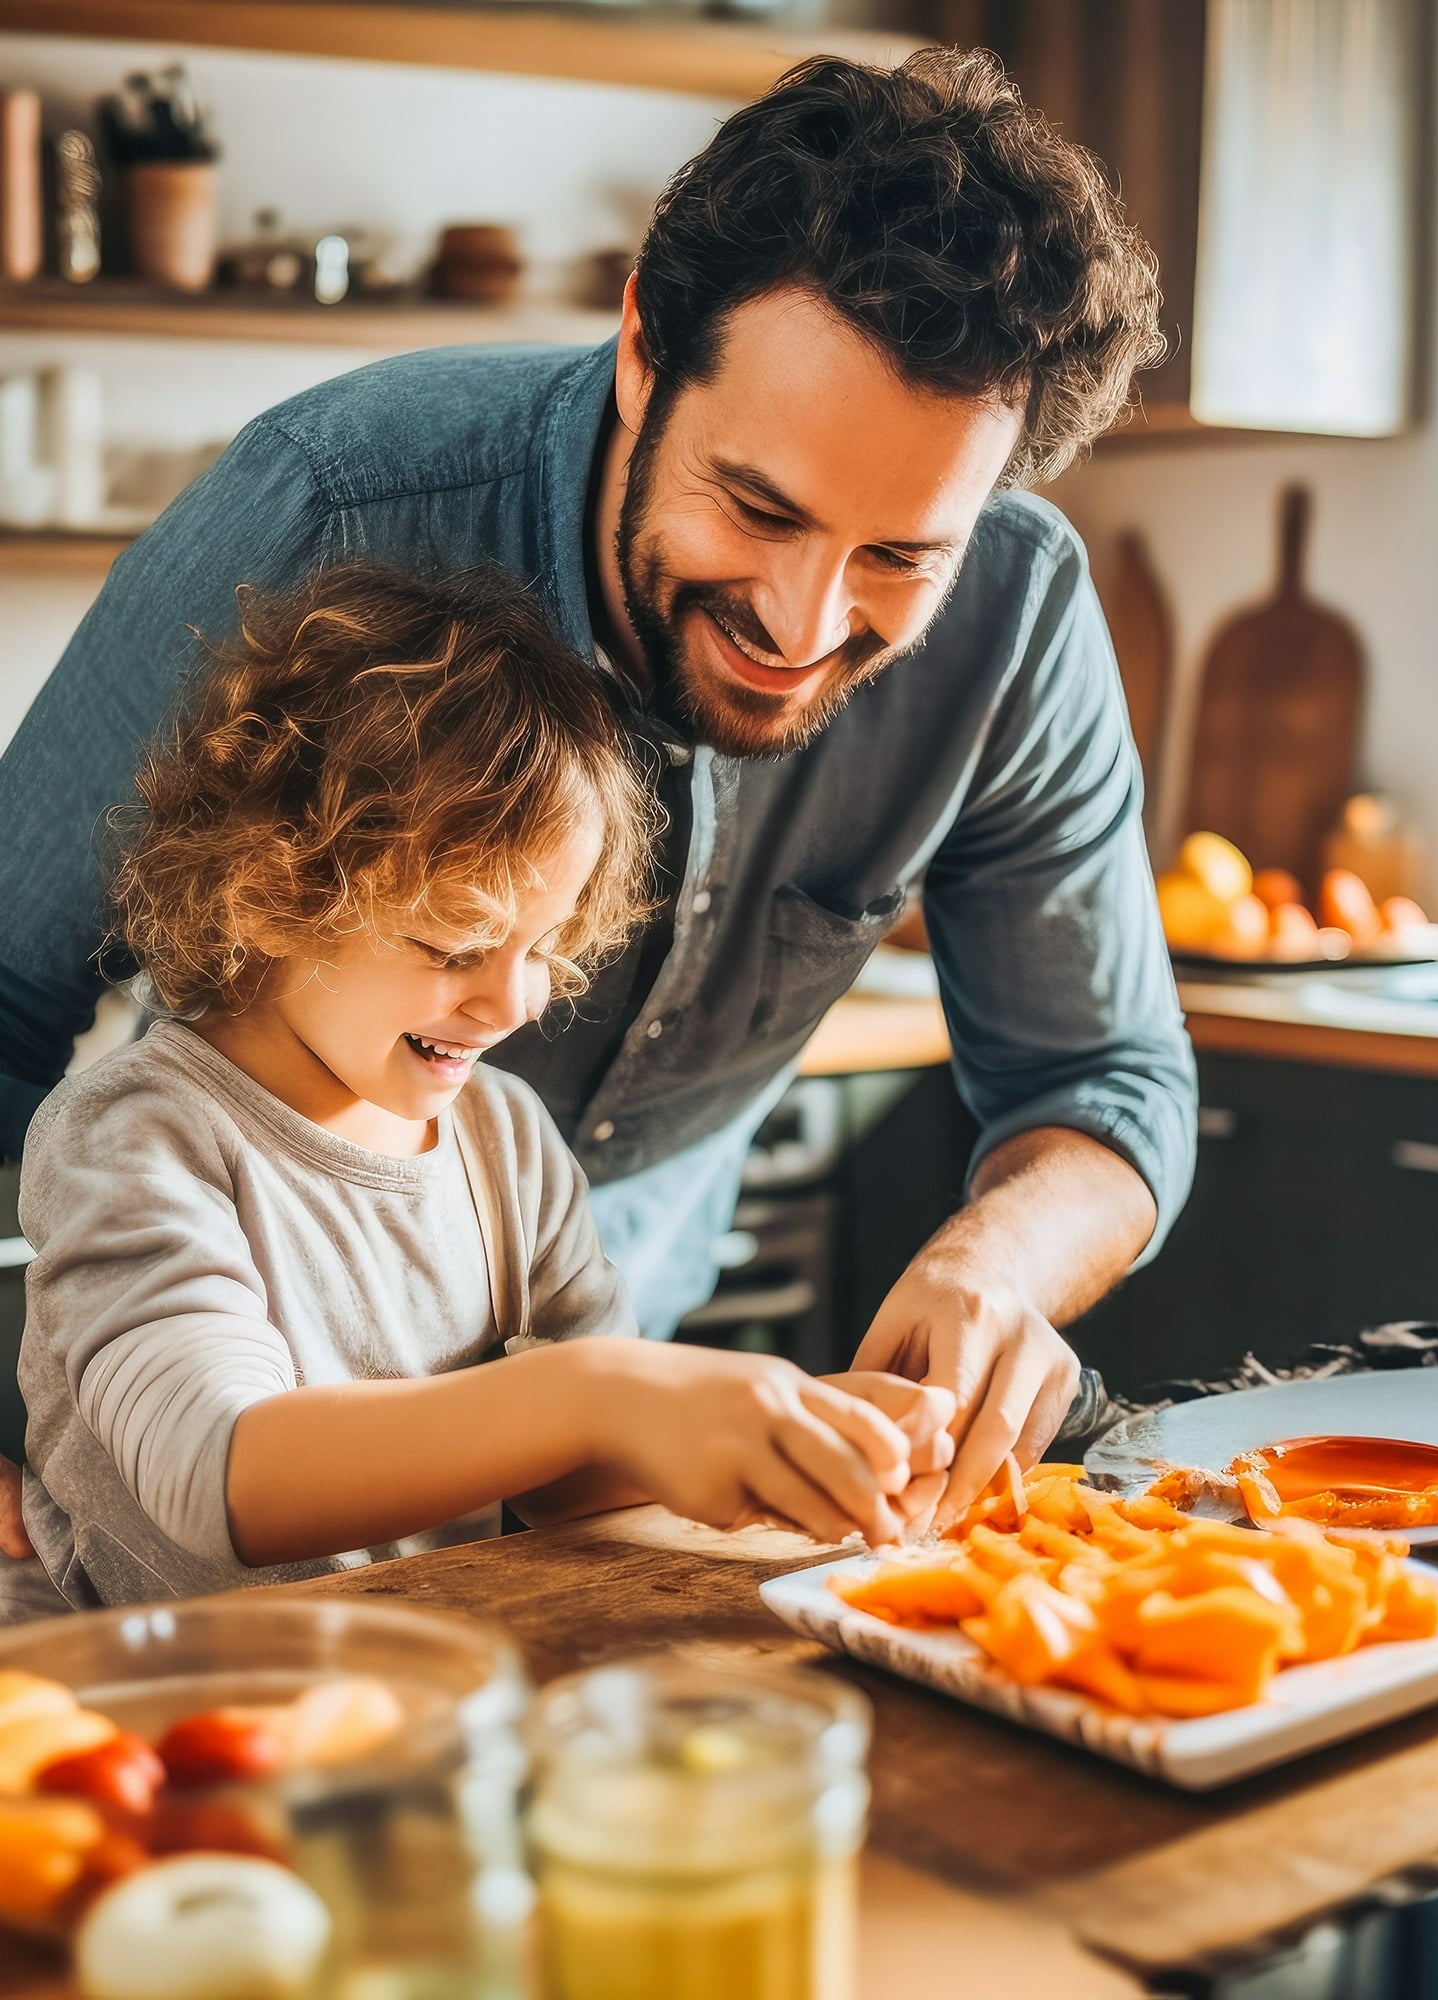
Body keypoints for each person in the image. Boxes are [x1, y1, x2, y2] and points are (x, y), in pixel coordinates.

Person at [0, 49, 1196, 1558]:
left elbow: (1111, 1085)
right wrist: (608, 1403)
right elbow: (0, 983)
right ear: (643, 343)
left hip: (568, 1496)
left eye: (903, 555)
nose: (805, 622)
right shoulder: (330, 510)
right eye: (758, 508)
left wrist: (990, 1274)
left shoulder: (1022, 613)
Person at [4, 566, 950, 1619]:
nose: (514, 999)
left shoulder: (501, 1136)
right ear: (273, 892)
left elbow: (568, 1476)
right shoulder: (136, 1137)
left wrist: (778, 1433)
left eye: (543, 944)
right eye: (455, 944)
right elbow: (218, 1472)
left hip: (391, 1680)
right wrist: (599, 1395)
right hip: (121, 1688)